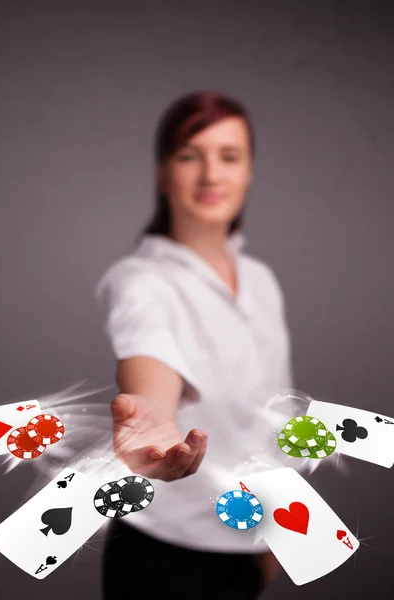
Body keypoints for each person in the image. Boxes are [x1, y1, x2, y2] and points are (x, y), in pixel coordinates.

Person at [95, 91, 294, 599]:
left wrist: (276, 536)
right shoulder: (140, 281)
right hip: (162, 553)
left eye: (229, 157)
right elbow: (149, 362)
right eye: (190, 156)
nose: (211, 175)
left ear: (249, 172)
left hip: (246, 543)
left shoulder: (262, 280)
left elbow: (273, 415)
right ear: (163, 174)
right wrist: (151, 420)